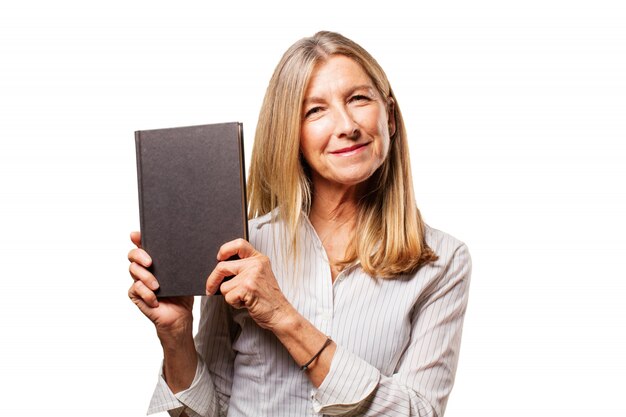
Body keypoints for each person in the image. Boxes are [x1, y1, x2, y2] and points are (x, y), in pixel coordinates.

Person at [128, 31, 471, 417]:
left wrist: (284, 317)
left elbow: (418, 412)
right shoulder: (241, 248)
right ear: (292, 134)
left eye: (358, 99)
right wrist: (175, 338)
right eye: (315, 110)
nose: (347, 125)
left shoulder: (443, 262)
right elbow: (212, 410)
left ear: (389, 116)